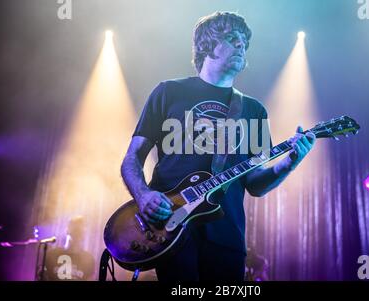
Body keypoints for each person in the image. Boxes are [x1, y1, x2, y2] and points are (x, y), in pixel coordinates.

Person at [121, 11, 315, 281]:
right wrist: (143, 196)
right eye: (232, 38)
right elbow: (132, 159)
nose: (241, 46)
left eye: (244, 43)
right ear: (206, 45)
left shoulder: (252, 110)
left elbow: (255, 183)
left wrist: (288, 163)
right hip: (172, 232)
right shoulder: (168, 92)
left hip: (227, 239)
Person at [44, 216, 95, 280]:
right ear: (67, 230)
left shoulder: (88, 259)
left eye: (79, 231)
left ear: (83, 234)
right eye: (75, 230)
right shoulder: (52, 254)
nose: (77, 234)